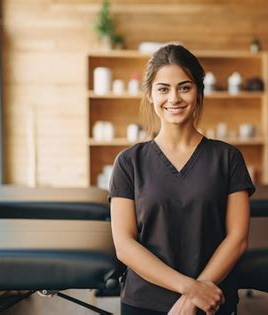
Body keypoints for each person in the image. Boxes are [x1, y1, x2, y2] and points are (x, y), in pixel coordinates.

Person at [109, 44, 255, 315]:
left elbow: (237, 238)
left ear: (199, 92)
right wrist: (189, 288)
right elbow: (125, 245)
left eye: (184, 87)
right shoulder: (128, 162)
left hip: (211, 300)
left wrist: (195, 296)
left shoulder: (228, 158)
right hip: (144, 301)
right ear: (150, 95)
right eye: (163, 88)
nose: (173, 98)